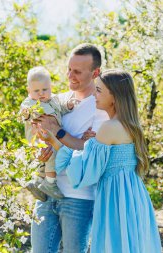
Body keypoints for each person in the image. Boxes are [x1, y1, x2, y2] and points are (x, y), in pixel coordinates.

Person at [36, 69, 162, 253]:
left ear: (115, 96)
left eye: (99, 90)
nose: (94, 94)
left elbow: (84, 171)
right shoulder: (129, 124)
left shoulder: (109, 127)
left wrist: (54, 141)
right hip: (132, 195)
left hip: (116, 197)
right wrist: (87, 143)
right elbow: (94, 154)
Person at [30, 44, 109, 253]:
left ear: (96, 73)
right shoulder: (59, 100)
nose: (70, 75)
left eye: (77, 72)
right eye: (69, 69)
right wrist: (40, 149)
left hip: (78, 197)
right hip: (47, 192)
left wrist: (59, 132)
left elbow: (91, 150)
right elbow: (43, 137)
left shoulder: (101, 107)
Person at [20, 66, 78, 201]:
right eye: (36, 91)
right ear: (29, 91)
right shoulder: (30, 103)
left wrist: (68, 106)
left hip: (49, 137)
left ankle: (37, 182)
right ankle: (50, 184)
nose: (41, 93)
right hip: (39, 137)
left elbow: (60, 109)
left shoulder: (54, 99)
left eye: (44, 89)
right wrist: (28, 113)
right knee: (51, 156)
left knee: (48, 158)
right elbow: (25, 114)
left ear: (50, 87)